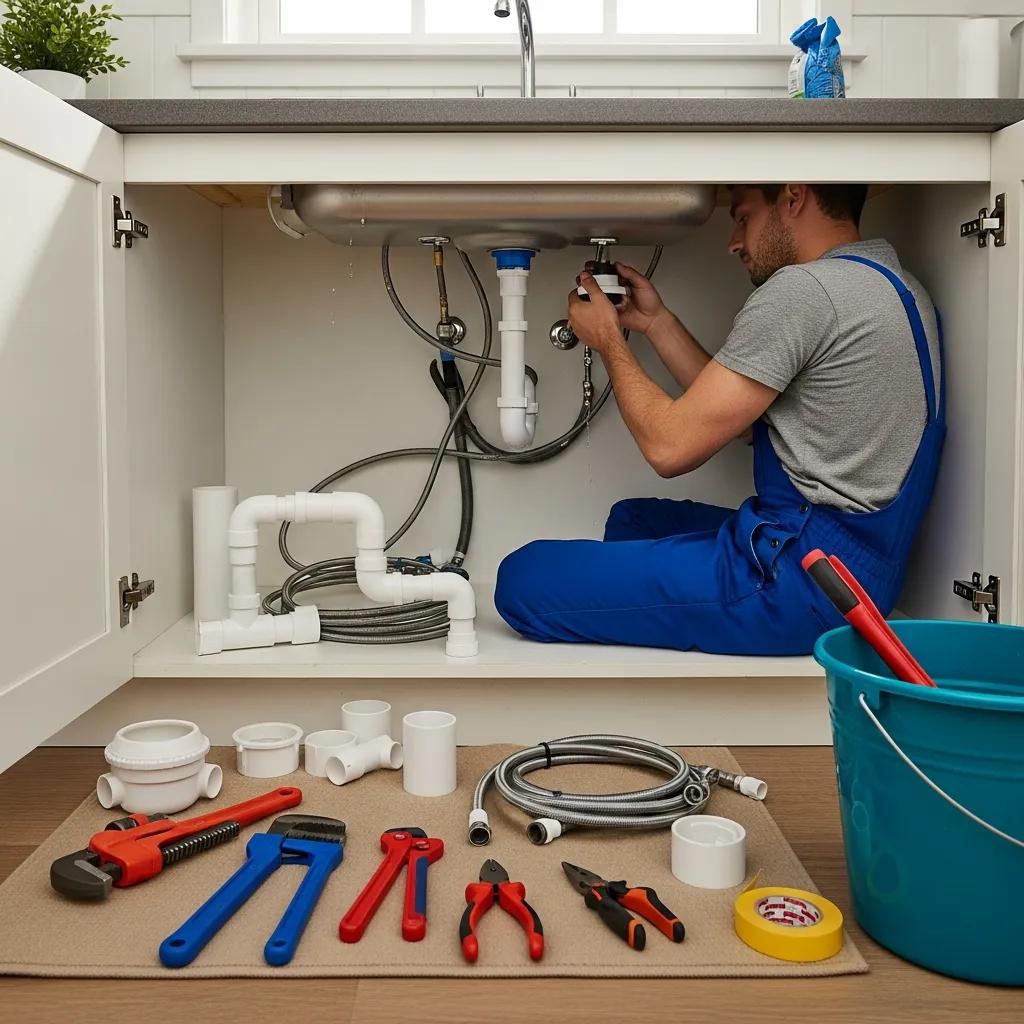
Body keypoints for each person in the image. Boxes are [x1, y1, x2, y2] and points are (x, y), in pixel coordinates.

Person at [493, 183, 945, 655]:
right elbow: (747, 420)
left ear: (793, 198)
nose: (732, 239)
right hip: (859, 572)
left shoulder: (805, 291)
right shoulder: (889, 282)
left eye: (743, 217)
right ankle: (646, 606)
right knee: (633, 520)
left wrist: (608, 341)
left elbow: (669, 449)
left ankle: (673, 605)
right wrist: (657, 323)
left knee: (521, 577)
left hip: (801, 586)